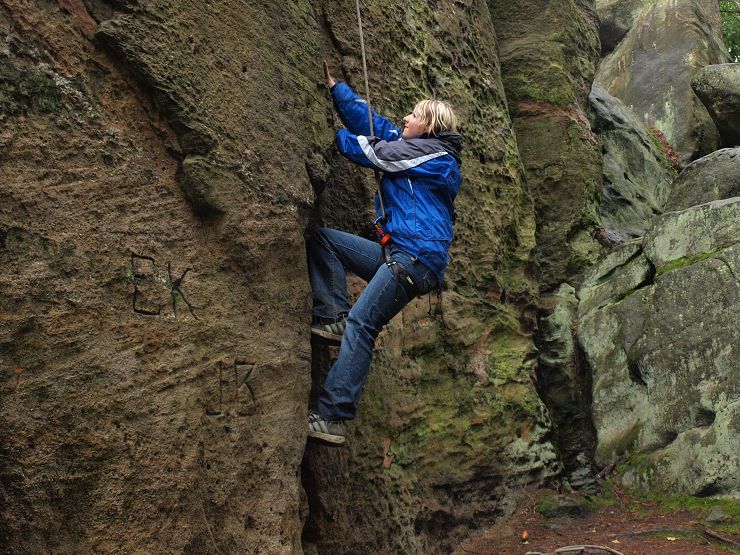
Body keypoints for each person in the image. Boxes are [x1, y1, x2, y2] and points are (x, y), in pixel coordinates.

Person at [307, 61, 462, 445]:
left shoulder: (437, 158)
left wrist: (329, 134)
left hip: (414, 258)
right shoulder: (415, 147)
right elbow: (375, 126)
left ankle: (332, 417)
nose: (406, 118)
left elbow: (377, 153)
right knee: (323, 240)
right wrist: (336, 89)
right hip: (399, 254)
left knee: (363, 324)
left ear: (428, 126)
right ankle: (334, 317)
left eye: (413, 115)